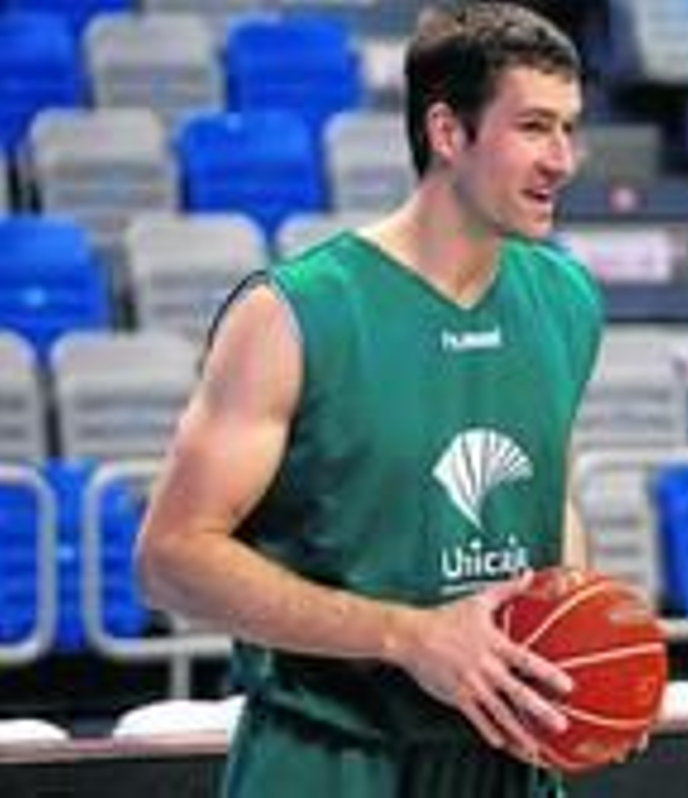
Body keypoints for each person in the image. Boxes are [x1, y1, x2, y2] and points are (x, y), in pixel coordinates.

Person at [134, 4, 601, 795]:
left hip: (505, 757)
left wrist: (572, 636)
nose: (562, 159)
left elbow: (543, 498)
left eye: (569, 128)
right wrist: (406, 635)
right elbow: (171, 557)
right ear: (448, 133)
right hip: (331, 757)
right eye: (533, 127)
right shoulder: (292, 313)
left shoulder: (567, 298)